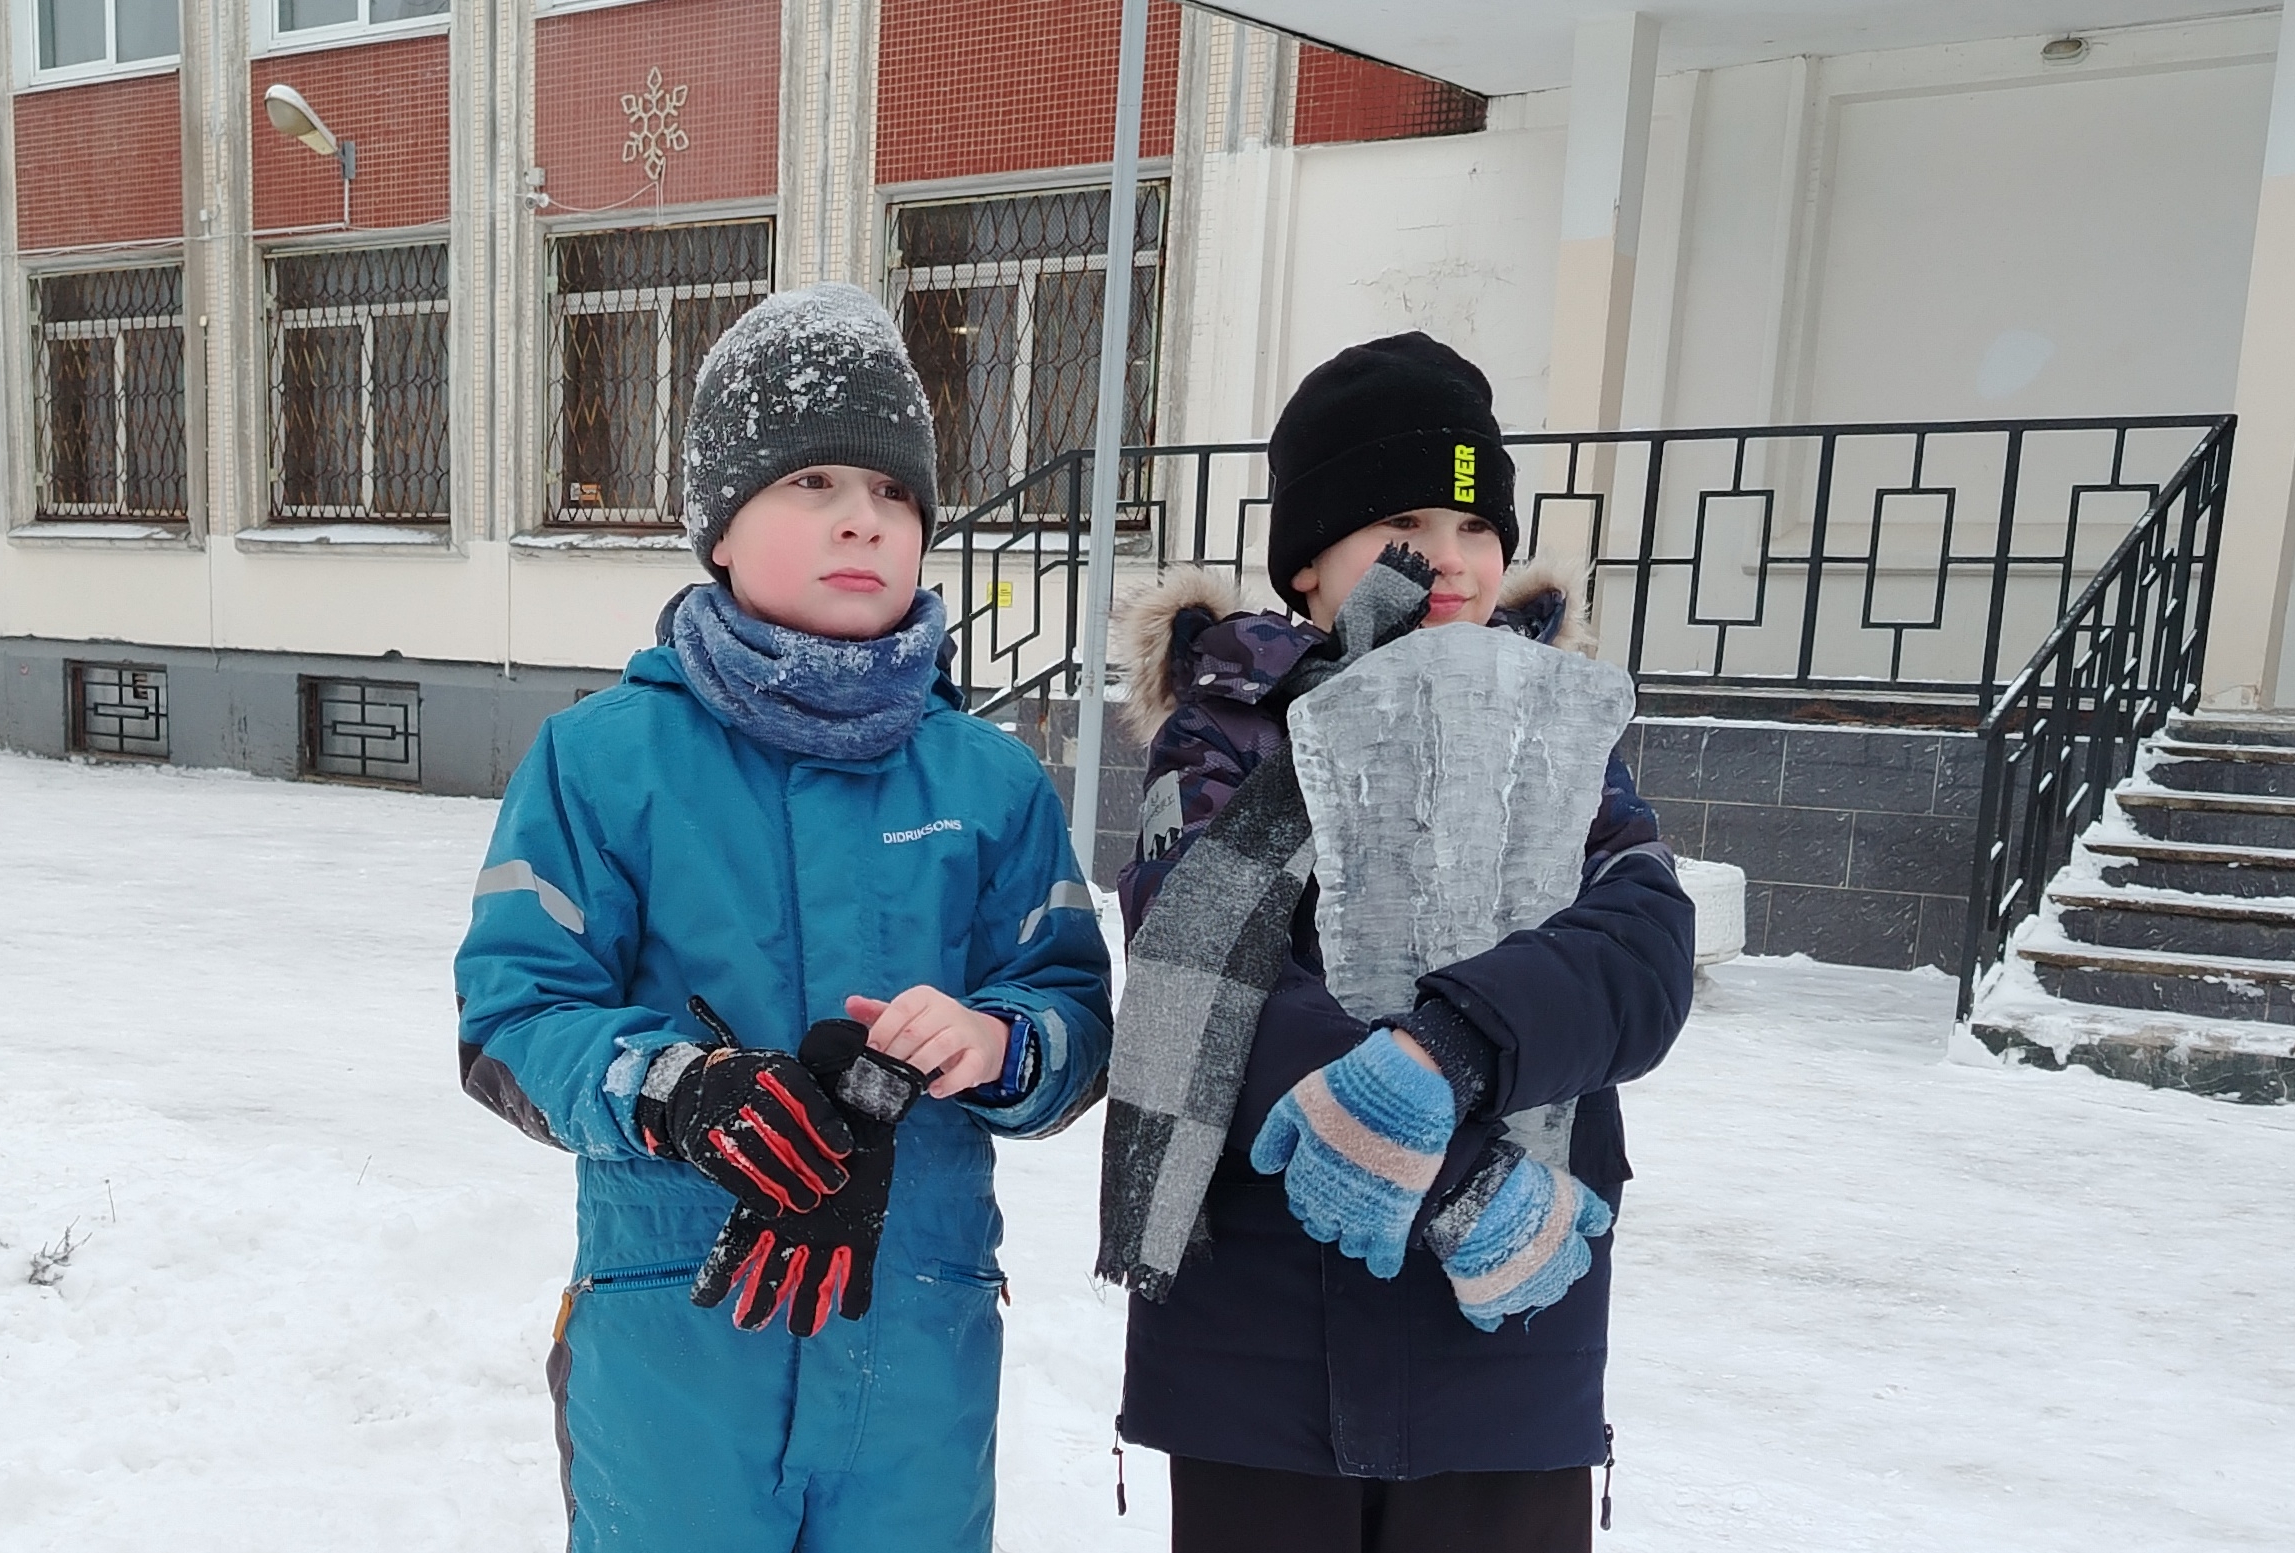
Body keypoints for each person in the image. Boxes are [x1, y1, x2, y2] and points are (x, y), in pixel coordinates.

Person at [453, 283, 1112, 1553]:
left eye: (894, 491)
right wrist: (676, 1088)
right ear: (720, 528)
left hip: (917, 1348)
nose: (863, 517)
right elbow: (512, 1017)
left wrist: (998, 1041)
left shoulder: (989, 781)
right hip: (677, 1341)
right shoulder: (601, 762)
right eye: (812, 481)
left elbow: (1071, 1015)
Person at [1100, 333, 1694, 1552]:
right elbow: (1203, 965)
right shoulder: (1227, 736)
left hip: (1505, 1326)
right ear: (1309, 564)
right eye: (1405, 522)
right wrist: (1454, 1172)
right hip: (1261, 1337)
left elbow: (1641, 945)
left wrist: (1455, 1046)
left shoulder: (1557, 736)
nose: (1453, 558)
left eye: (1479, 525)